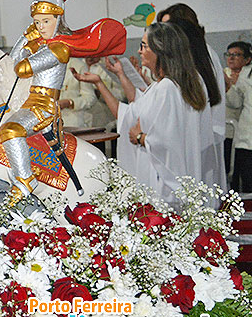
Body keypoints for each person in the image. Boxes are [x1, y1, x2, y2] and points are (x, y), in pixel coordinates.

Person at [0, 0, 125, 205]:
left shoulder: (58, 49)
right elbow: (10, 62)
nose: (42, 26)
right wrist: (26, 37)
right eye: (37, 22)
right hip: (30, 101)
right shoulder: (43, 43)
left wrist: (29, 41)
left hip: (44, 107)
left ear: (58, 20)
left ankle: (25, 181)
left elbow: (21, 68)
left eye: (46, 21)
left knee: (10, 130)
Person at [73, 23, 216, 207]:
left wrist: (140, 137)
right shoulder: (174, 84)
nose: (139, 51)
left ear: (160, 50)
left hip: (162, 182)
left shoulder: (167, 88)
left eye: (144, 46)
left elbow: (167, 141)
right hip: (174, 177)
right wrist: (102, 82)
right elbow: (131, 111)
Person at [157, 3, 227, 189]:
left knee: (200, 183)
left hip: (201, 129)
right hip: (200, 129)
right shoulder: (201, 51)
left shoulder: (198, 53)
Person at [224, 41, 252, 191]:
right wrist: (228, 86)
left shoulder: (245, 75)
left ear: (247, 59)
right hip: (243, 139)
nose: (231, 58)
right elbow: (235, 102)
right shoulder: (241, 77)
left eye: (236, 55)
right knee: (244, 182)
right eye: (229, 55)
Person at [59, 57, 97, 127]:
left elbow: (90, 97)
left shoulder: (78, 66)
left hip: (71, 123)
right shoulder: (40, 65)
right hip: (44, 123)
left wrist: (70, 103)